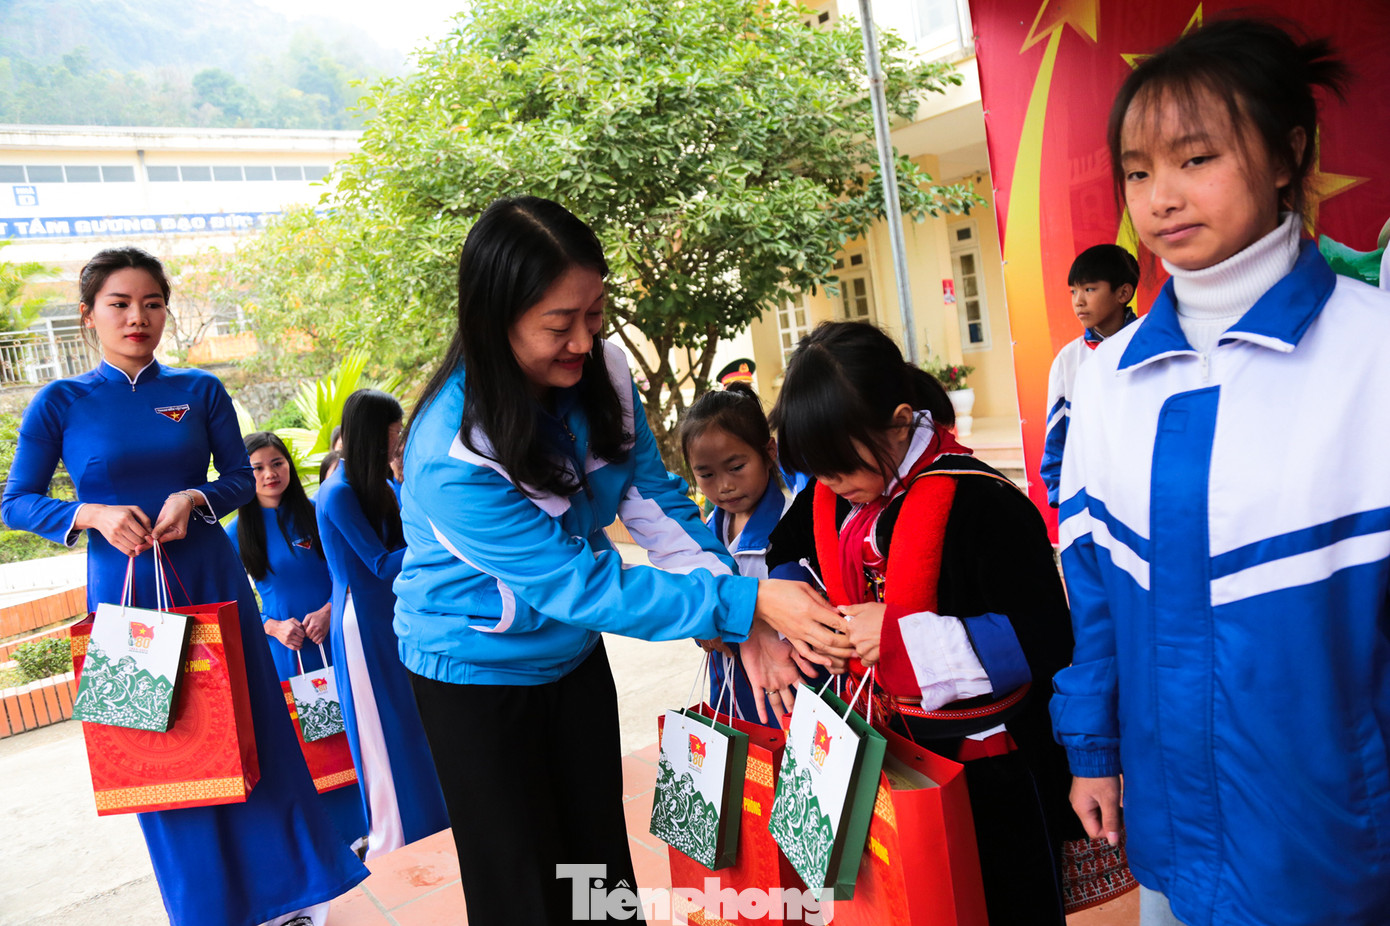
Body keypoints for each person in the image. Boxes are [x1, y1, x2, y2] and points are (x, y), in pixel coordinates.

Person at [393, 195, 851, 925]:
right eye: (559, 324)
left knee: (597, 868)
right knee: (522, 884)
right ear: (494, 317)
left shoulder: (600, 374)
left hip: (569, 658)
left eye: (595, 313)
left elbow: (654, 502)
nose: (584, 338)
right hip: (473, 674)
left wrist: (733, 601)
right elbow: (580, 585)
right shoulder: (452, 454)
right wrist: (749, 606)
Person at [1050, 19, 1390, 926]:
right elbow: (1093, 598)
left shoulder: (1373, 354)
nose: (1161, 197)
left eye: (1196, 157)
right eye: (1137, 170)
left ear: (1288, 155)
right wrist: (1090, 748)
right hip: (1169, 841)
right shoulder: (1108, 382)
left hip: (1337, 850)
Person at [0, 247, 367, 926]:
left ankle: (290, 902)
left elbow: (236, 479)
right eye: (119, 303)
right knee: (158, 751)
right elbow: (15, 501)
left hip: (209, 579)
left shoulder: (199, 391)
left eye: (152, 302)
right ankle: (205, 909)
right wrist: (91, 513)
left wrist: (196, 497)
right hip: (124, 593)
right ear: (88, 316)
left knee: (251, 730)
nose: (137, 316)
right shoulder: (61, 401)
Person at [765, 321, 1082, 926]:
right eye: (819, 473)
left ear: (900, 420)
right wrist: (809, 624)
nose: (832, 487)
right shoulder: (838, 494)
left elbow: (1046, 633)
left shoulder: (981, 500)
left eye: (840, 469)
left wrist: (901, 634)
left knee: (999, 901)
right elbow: (785, 555)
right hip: (879, 746)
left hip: (984, 764)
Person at [316, 389, 449, 861]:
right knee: (383, 731)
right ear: (374, 432)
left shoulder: (375, 483)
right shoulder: (338, 492)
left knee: (413, 723)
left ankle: (433, 819)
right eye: (393, 429)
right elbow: (377, 563)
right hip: (361, 626)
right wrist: (445, 538)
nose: (399, 436)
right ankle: (397, 834)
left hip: (392, 617)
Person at [226, 431, 367, 851]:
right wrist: (272, 627)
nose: (269, 474)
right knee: (314, 748)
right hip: (289, 657)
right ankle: (334, 841)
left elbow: (353, 571)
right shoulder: (235, 533)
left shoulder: (319, 512)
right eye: (257, 468)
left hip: (339, 643)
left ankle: (372, 825)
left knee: (356, 733)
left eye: (277, 463)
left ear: (290, 465)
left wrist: (329, 609)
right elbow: (234, 601)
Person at [679, 381, 815, 727]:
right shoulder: (705, 534)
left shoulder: (791, 530)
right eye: (706, 474)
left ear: (769, 452)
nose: (723, 485)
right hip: (727, 690)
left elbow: (807, 619)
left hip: (785, 688)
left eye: (736, 467)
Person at [1039, 244, 1140, 507]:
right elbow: (1056, 441)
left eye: (1089, 289)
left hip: (1145, 499)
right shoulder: (1068, 360)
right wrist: (1064, 502)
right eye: (1074, 291)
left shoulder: (1152, 347)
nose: (1078, 301)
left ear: (1123, 292)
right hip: (1091, 503)